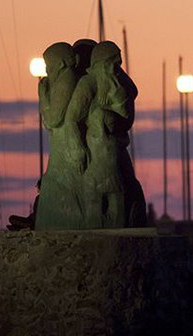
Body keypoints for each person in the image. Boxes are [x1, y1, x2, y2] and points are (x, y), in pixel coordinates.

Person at [65, 41, 147, 228]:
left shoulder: (118, 83)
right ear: (99, 64)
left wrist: (119, 98)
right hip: (95, 149)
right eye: (110, 64)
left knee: (129, 188)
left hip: (116, 147)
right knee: (100, 192)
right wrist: (77, 148)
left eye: (118, 65)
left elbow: (129, 109)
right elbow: (72, 118)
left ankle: (131, 223)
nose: (114, 69)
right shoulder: (89, 83)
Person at [34, 42, 84, 230]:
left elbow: (53, 119)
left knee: (56, 187)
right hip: (63, 147)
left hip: (66, 149)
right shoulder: (64, 80)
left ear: (61, 64)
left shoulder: (66, 81)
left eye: (49, 67)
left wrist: (43, 95)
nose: (47, 72)